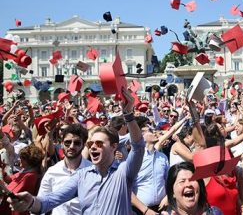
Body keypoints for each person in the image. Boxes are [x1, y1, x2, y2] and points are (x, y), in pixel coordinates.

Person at [8, 88, 148, 215]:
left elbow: (138, 147)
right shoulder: (81, 176)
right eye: (90, 144)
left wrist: (128, 115)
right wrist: (31, 202)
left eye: (99, 144)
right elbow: (49, 201)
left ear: (113, 147)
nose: (93, 147)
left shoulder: (123, 172)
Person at [37, 124, 91, 215]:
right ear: (61, 144)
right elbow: (41, 201)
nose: (71, 146)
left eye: (77, 143)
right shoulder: (52, 171)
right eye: (67, 142)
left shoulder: (93, 171)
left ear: (83, 145)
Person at [131, 125, 170, 215]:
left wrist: (168, 197)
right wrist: (145, 210)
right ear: (142, 137)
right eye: (151, 131)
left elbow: (169, 180)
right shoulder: (135, 158)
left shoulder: (163, 157)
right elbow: (127, 187)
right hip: (139, 210)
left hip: (161, 208)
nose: (156, 133)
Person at [0, 144, 44, 215]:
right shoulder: (24, 171)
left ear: (28, 161)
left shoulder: (31, 176)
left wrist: (3, 187)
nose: (19, 160)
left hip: (17, 210)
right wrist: (2, 169)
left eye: (21, 158)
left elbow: (14, 193)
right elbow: (10, 180)